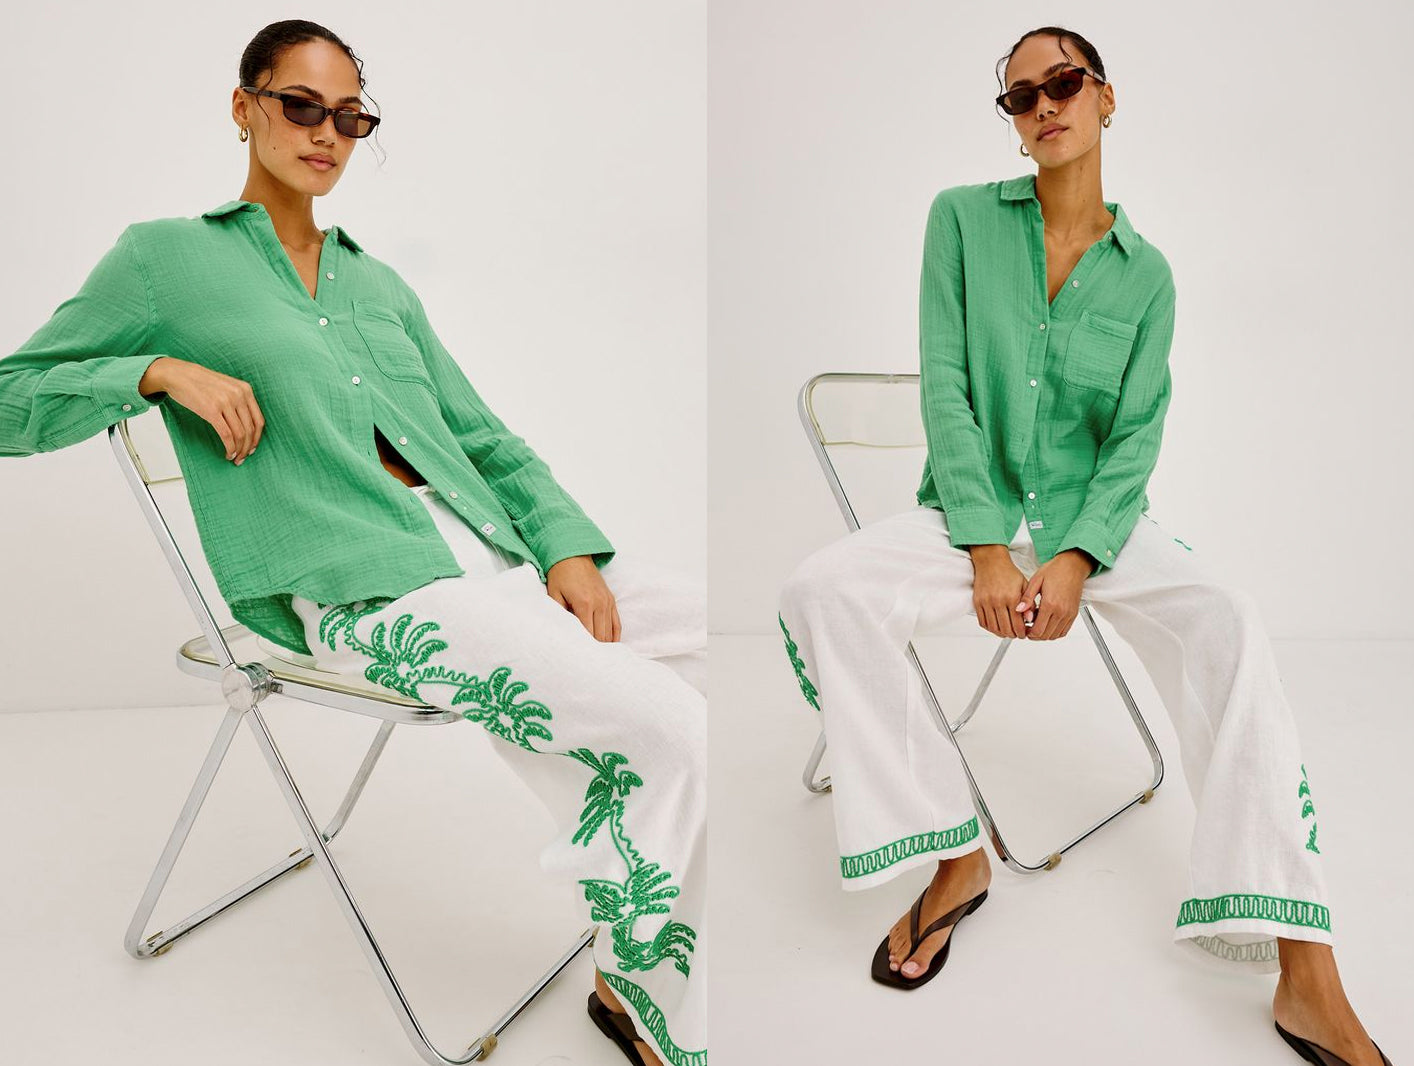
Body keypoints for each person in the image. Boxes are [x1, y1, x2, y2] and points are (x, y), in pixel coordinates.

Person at [0, 20, 704, 1066]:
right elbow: (12, 394)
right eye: (301, 105)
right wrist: (153, 373)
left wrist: (563, 548)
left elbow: (479, 435)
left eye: (351, 116)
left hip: (494, 555)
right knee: (670, 721)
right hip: (366, 591)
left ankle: (630, 885)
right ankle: (640, 984)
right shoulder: (165, 259)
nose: (328, 132)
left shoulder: (378, 285)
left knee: (712, 641)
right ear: (244, 107)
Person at [776, 25, 1391, 1066]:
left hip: (1092, 529)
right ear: (1012, 126)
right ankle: (954, 854)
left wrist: (1073, 558)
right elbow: (948, 387)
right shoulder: (961, 222)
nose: (1043, 105)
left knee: (1229, 621)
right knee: (819, 587)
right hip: (968, 516)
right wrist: (983, 547)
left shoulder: (1145, 277)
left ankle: (1306, 970)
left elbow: (1135, 437)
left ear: (1106, 98)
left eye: (1061, 84)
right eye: (1019, 97)